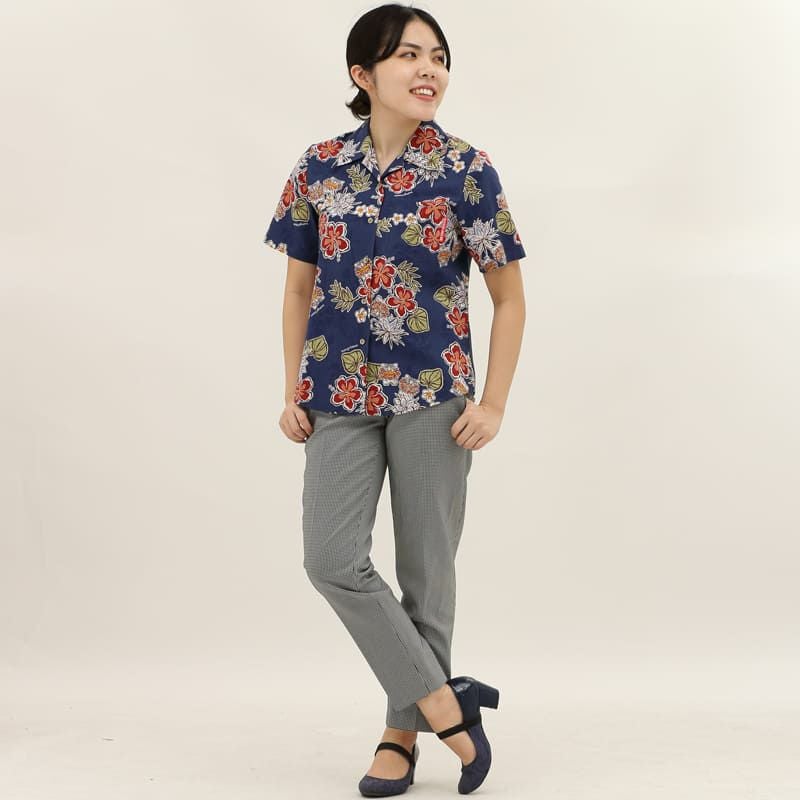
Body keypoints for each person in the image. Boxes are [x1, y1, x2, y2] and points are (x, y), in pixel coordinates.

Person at [263, 4, 526, 795]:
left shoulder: (467, 169)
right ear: (363, 73)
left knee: (426, 572)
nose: (428, 69)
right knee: (331, 559)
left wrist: (494, 404)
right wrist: (293, 387)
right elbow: (299, 288)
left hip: (435, 397)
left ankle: (399, 736)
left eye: (438, 56)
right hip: (336, 391)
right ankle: (448, 706)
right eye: (409, 55)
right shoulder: (319, 167)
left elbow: (509, 298)